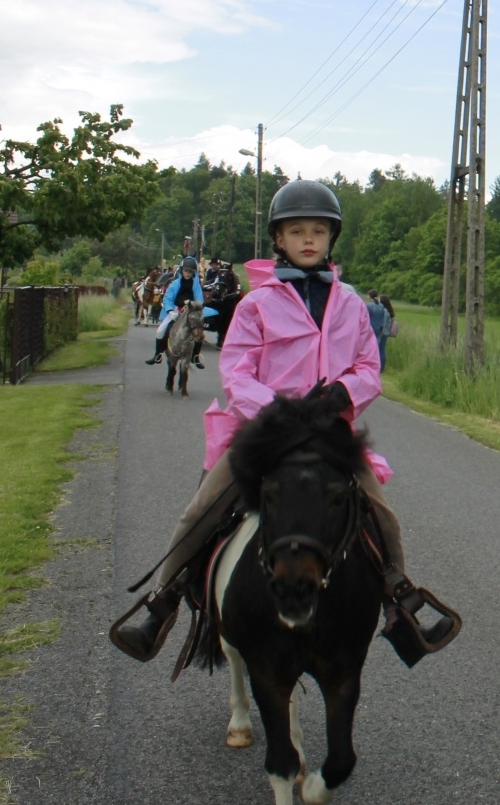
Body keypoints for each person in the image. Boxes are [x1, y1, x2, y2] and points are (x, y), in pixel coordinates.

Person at [112, 179, 457, 666]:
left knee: (382, 514)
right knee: (202, 509)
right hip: (267, 431)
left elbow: (368, 368)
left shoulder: (352, 305)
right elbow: (237, 371)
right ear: (279, 239)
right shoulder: (256, 305)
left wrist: (344, 391)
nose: (309, 240)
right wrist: (282, 411)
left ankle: (400, 600)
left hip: (329, 431)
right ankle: (161, 604)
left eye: (319, 231)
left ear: (331, 238)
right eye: (298, 232)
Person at [145, 256, 208, 369]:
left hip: (190, 312)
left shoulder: (196, 285)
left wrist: (196, 307)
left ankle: (195, 357)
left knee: (199, 333)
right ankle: (157, 355)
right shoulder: (174, 284)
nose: (188, 273)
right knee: (160, 331)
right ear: (181, 270)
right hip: (175, 310)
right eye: (185, 271)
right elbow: (167, 298)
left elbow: (199, 299)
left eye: (190, 272)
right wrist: (170, 311)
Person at [365, 289, 389, 370]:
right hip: (379, 328)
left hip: (370, 328)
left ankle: (370, 365)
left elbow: (366, 318)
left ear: (370, 296)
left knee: (369, 348)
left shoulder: (369, 305)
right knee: (378, 348)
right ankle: (379, 366)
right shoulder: (381, 306)